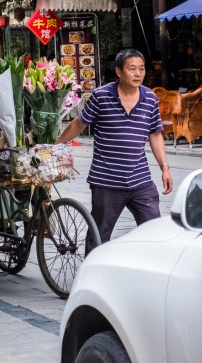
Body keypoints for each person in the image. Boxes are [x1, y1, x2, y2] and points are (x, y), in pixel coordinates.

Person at [56, 48, 173, 249]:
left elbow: (155, 134)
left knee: (154, 228)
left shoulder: (150, 98)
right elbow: (80, 123)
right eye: (132, 69)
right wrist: (57, 146)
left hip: (140, 180)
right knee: (99, 233)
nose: (138, 74)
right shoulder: (101, 96)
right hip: (106, 181)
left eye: (141, 69)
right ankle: (91, 273)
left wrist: (164, 167)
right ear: (119, 72)